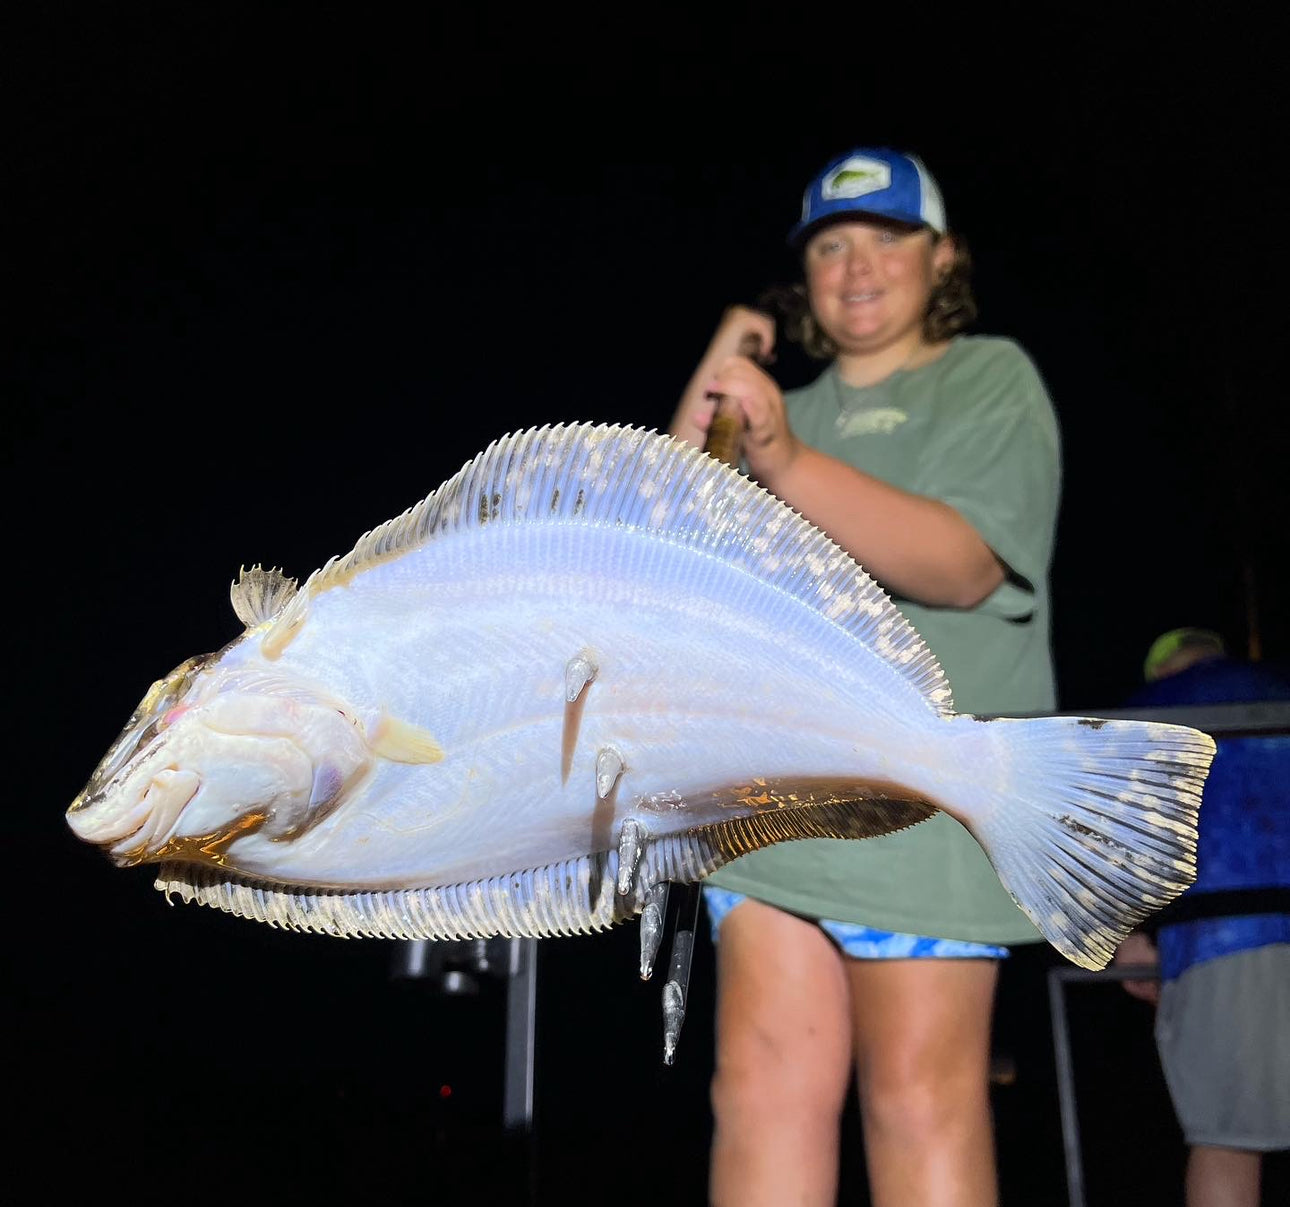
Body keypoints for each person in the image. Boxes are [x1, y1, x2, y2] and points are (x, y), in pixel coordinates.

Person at [668, 147, 1062, 1206]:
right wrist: (723, 366)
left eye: (887, 241)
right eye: (831, 246)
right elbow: (663, 535)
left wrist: (786, 461)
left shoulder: (989, 379)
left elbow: (968, 566)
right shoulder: (771, 410)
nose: (856, 267)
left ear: (943, 260)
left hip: (926, 813)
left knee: (919, 1099)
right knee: (758, 1089)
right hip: (775, 809)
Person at [1112, 627, 1289, 1207]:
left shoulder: (1148, 711)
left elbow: (1114, 828)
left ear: (1161, 671)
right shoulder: (1277, 687)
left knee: (1226, 1139)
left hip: (1225, 933)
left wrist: (1129, 935)